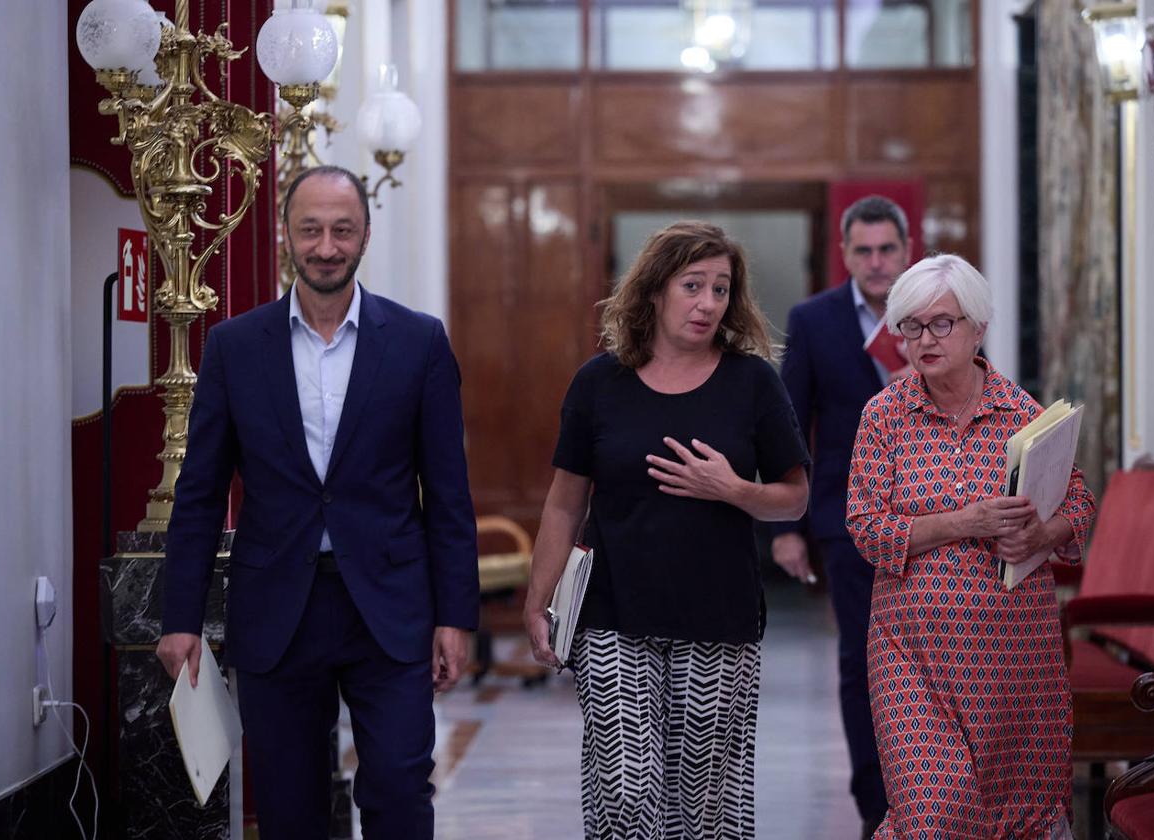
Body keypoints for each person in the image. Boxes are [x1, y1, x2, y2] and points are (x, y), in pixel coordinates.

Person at [156, 165, 479, 840]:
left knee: (396, 786)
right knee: (288, 804)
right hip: (278, 608)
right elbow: (199, 494)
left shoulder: (419, 342)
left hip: (389, 608)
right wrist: (179, 615)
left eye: (342, 229)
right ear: (287, 236)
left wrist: (457, 615)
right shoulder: (234, 346)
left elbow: (448, 493)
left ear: (365, 234)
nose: (326, 246)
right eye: (311, 230)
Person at [523, 220, 810, 839]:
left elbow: (793, 500)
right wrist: (538, 597)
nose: (708, 303)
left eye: (721, 289)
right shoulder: (598, 384)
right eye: (693, 286)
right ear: (654, 290)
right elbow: (564, 504)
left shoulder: (752, 383)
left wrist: (733, 489)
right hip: (613, 614)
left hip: (719, 618)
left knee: (705, 803)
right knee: (624, 790)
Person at [847, 254, 1096, 839]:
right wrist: (966, 521)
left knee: (1019, 818)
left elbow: (1080, 502)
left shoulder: (1022, 414)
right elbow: (864, 527)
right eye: (909, 325)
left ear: (978, 327)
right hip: (912, 658)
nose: (923, 339)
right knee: (932, 815)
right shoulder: (884, 417)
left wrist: (1043, 533)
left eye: (941, 323)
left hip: (1016, 662)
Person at [770, 195, 912, 835]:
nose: (877, 263)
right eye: (864, 251)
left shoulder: (935, 309)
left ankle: (931, 804)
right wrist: (786, 527)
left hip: (940, 515)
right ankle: (876, 811)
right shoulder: (815, 320)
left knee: (929, 664)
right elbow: (790, 425)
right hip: (848, 516)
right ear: (845, 253)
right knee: (863, 664)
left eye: (887, 249)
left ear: (906, 250)